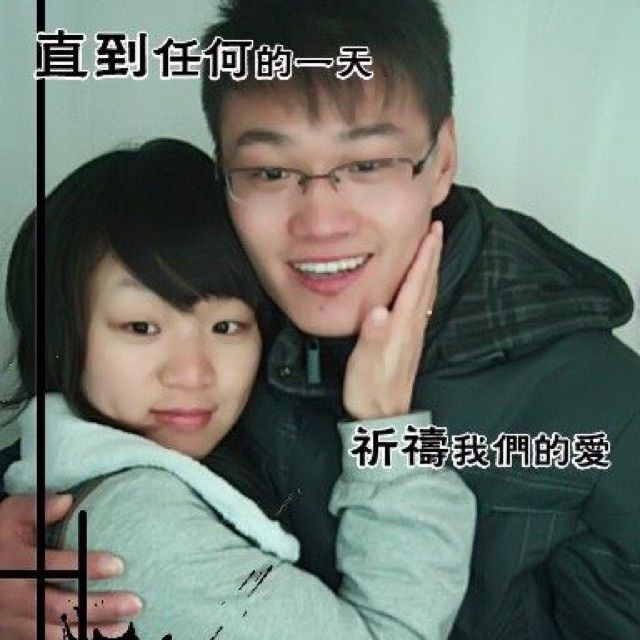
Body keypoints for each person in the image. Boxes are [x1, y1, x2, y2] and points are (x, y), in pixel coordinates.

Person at [1, 0, 639, 637]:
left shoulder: (601, 405)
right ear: (224, 173)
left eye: (367, 165)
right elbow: (73, 423)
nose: (320, 224)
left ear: (442, 157)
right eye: (270, 171)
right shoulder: (226, 299)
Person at [0, 138, 474, 639]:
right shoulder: (138, 524)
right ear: (60, 333)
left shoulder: (68, 477)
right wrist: (387, 431)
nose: (193, 374)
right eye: (141, 327)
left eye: (227, 326)